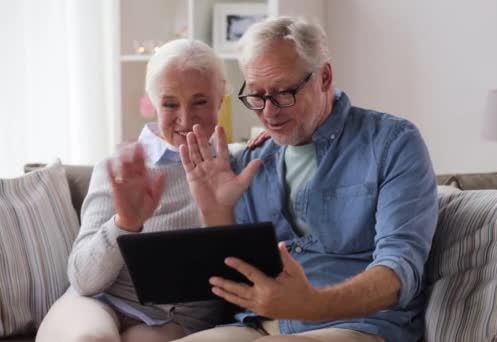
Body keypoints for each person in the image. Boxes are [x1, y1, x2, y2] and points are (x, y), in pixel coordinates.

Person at [174, 16, 438, 342]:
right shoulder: (250, 161)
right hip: (256, 325)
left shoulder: (392, 143)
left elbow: (400, 269)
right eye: (256, 96)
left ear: (324, 77)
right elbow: (235, 274)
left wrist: (311, 305)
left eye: (283, 93)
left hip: (358, 326)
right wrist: (215, 212)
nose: (269, 113)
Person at [36, 39, 240, 342]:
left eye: (200, 102)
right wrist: (124, 223)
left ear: (221, 100)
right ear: (153, 104)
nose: (185, 119)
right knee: (90, 339)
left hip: (178, 319)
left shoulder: (235, 167)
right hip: (98, 302)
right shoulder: (121, 169)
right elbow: (84, 280)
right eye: (170, 104)